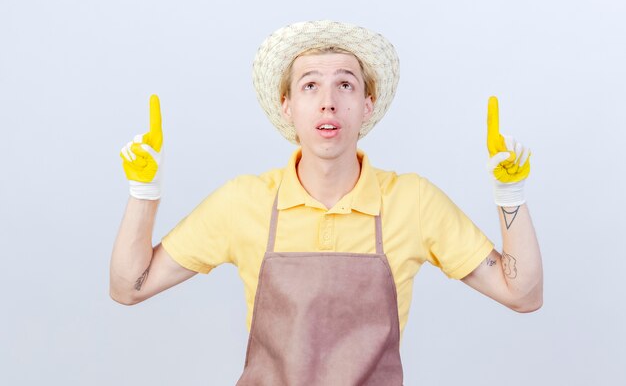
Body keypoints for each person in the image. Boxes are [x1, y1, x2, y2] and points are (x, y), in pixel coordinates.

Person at [110, 20, 543, 385]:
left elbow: (522, 295)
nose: (328, 102)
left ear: (367, 105)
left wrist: (511, 197)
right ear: (287, 106)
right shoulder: (244, 202)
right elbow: (129, 287)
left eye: (345, 85)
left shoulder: (412, 202)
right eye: (310, 85)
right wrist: (144, 193)